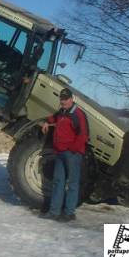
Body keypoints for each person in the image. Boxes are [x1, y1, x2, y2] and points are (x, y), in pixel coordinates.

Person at [39, 88, 88, 222]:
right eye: (62, 99)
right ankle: (54, 212)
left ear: (71, 99)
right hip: (59, 153)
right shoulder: (61, 112)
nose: (63, 101)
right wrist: (46, 122)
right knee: (58, 182)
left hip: (72, 153)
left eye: (66, 99)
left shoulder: (78, 114)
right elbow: (53, 118)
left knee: (72, 183)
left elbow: (83, 135)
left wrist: (72, 149)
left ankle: (69, 213)